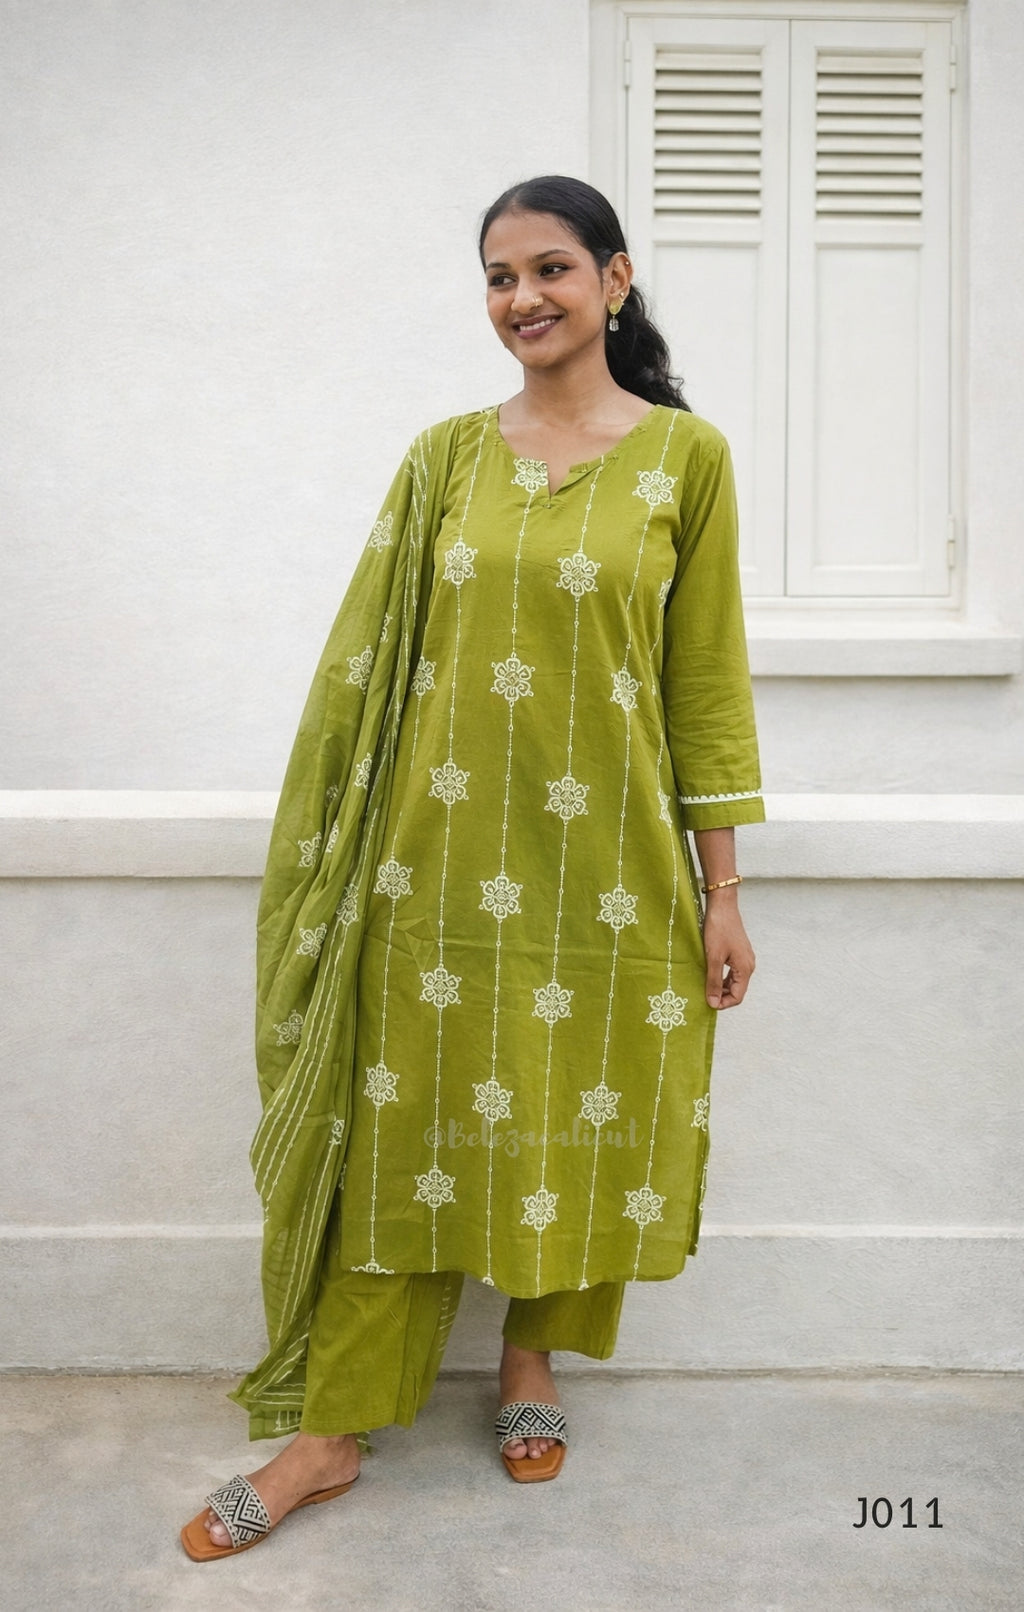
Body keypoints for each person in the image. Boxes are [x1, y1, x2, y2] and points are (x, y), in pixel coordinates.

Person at [180, 173, 764, 1561]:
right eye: (500, 278)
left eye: (552, 270)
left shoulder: (688, 460)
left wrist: (721, 889)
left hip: (613, 869)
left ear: (615, 282)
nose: (523, 300)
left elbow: (705, 685)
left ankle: (531, 1367)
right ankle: (332, 1430)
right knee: (408, 1131)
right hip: (432, 870)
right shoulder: (445, 456)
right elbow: (371, 668)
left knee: (583, 1108)